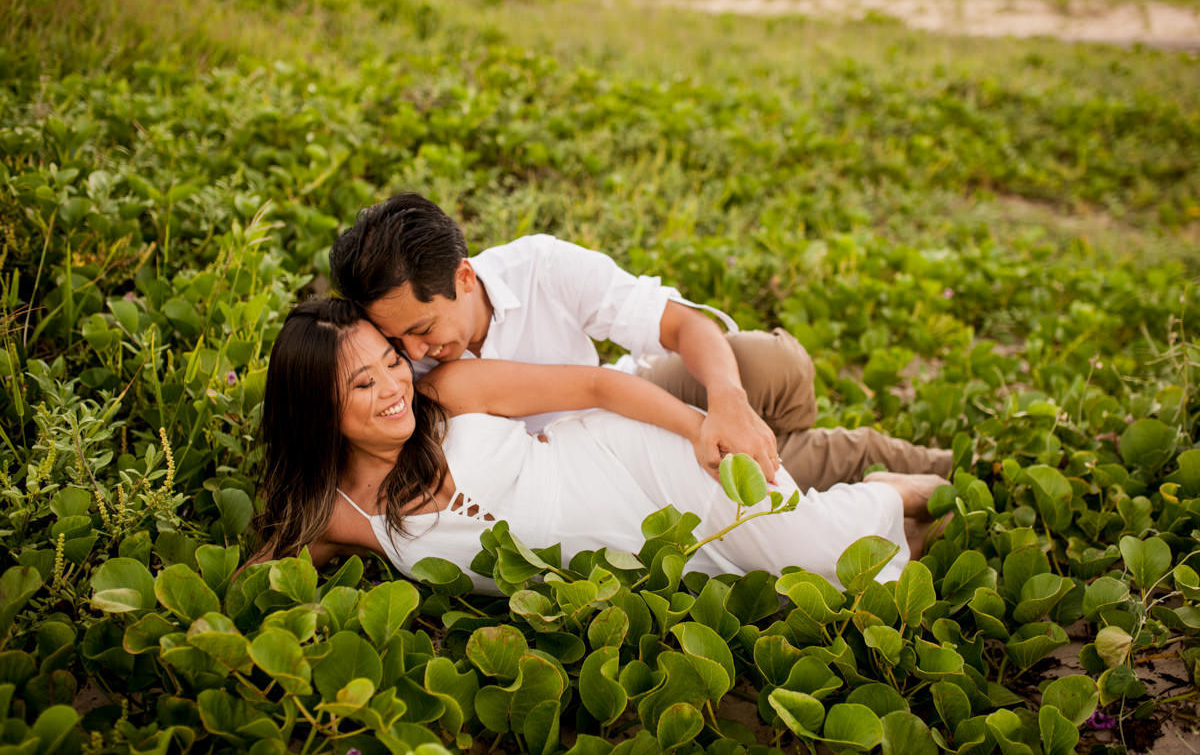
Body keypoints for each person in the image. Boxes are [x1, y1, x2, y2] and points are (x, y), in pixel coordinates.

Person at [252, 298, 947, 593]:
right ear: (318, 412)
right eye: (362, 383)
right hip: (624, 571)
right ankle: (880, 503)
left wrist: (701, 428)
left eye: (390, 361)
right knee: (786, 595)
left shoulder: (447, 391)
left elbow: (594, 386)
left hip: (635, 465)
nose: (393, 386)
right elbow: (248, 582)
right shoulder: (342, 516)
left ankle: (893, 491)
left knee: (821, 556)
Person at [328, 193, 952, 492]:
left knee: (768, 364)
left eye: (423, 330)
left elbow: (682, 325)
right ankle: (946, 472)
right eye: (393, 338)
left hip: (625, 393)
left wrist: (728, 401)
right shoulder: (402, 362)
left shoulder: (541, 267)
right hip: (593, 467)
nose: (409, 352)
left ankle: (772, 429)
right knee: (777, 464)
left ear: (464, 277)